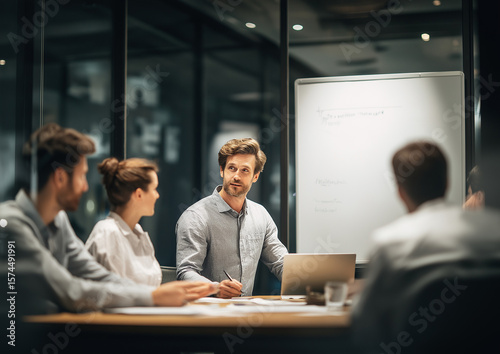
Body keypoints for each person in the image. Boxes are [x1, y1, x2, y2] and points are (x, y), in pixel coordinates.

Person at [0, 123, 216, 314]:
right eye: (82, 175)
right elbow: (69, 290)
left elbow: (97, 275)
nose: (86, 186)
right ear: (60, 177)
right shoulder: (10, 225)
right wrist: (152, 297)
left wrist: (157, 294)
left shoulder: (59, 220)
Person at [351, 141, 500, 353]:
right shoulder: (496, 229)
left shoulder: (390, 242)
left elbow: (366, 327)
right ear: (447, 183)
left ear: (400, 192)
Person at [176, 138, 288, 298]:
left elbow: (280, 262)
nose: (236, 176)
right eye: (232, 168)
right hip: (207, 314)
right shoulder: (196, 217)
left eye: (245, 170)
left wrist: (308, 280)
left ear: (255, 176)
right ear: (222, 170)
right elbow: (185, 272)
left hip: (245, 312)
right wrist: (215, 288)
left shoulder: (260, 215)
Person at [85, 157, 162, 287]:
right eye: (154, 189)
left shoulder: (138, 232)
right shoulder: (107, 233)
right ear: (138, 194)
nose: (157, 195)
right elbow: (111, 293)